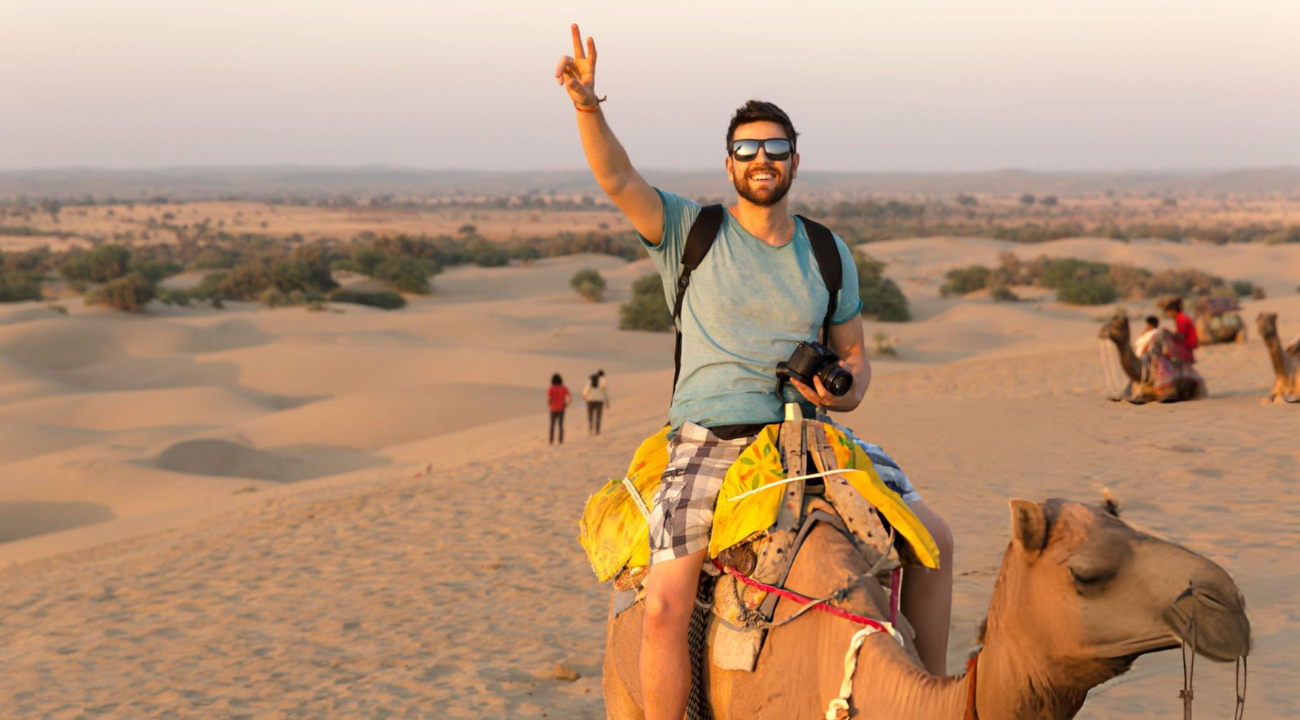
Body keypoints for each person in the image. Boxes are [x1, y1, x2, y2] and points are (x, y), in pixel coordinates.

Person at [556, 25, 954, 718]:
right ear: (730, 163)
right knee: (664, 607)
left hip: (809, 440)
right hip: (709, 440)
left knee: (936, 542)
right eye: (748, 148)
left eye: (775, 148)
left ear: (795, 162)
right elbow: (616, 179)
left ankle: (922, 697)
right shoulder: (690, 230)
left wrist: (844, 386)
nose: (761, 158)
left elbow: (855, 355)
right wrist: (589, 107)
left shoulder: (828, 253)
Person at [1163, 297, 1199, 363]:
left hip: (1188, 343)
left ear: (1173, 310)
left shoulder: (1180, 318)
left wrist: (1170, 334)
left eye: (1168, 312)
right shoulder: (1181, 316)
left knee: (1169, 341)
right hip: (1189, 342)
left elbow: (1181, 337)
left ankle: (1175, 359)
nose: (1168, 314)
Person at [582, 369, 609, 435]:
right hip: (599, 400)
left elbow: (587, 389)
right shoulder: (603, 381)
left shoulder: (590, 380)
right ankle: (597, 430)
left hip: (590, 400)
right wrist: (607, 401)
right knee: (598, 416)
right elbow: (605, 392)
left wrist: (584, 396)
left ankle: (590, 428)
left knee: (590, 415)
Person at [547, 374, 571, 445]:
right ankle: (560, 440)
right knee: (560, 425)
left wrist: (550, 404)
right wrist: (566, 404)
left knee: (552, 425)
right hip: (561, 408)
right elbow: (569, 398)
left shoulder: (551, 388)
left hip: (553, 408)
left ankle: (551, 441)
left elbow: (549, 399)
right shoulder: (564, 388)